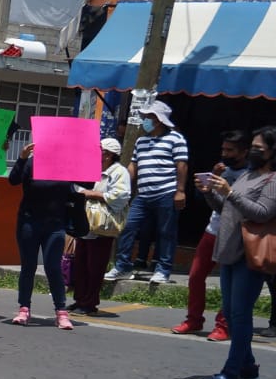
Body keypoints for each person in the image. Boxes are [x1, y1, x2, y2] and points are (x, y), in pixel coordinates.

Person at [199, 126, 276, 379]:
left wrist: (230, 192)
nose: (254, 151)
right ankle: (248, 367)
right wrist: (211, 192)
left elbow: (263, 213)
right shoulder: (247, 175)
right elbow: (226, 209)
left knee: (240, 313)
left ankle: (231, 373)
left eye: (259, 148)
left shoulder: (272, 180)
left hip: (249, 255)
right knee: (231, 314)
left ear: (272, 152)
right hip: (230, 251)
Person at [173, 130, 250, 338]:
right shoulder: (222, 170)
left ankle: (223, 325)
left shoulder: (251, 176)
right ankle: (194, 319)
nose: (225, 154)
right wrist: (206, 188)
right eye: (223, 149)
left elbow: (234, 208)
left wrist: (224, 190)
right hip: (213, 230)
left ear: (244, 152)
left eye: (230, 150)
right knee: (196, 276)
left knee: (229, 284)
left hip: (235, 235)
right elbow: (214, 206)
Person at [107, 99, 188, 284]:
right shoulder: (141, 141)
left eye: (148, 117)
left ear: (158, 119)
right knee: (127, 227)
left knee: (166, 232)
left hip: (166, 193)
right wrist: (124, 185)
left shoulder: (176, 139)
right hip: (142, 195)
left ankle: (163, 270)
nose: (145, 120)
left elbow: (181, 165)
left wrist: (180, 190)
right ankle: (123, 266)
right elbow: (133, 165)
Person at [7, 143, 81, 328]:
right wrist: (23, 157)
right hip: (29, 223)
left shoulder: (67, 166)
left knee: (53, 267)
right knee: (28, 266)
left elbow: (85, 184)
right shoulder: (32, 163)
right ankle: (24, 309)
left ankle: (61, 312)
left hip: (55, 225)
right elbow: (14, 180)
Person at [69, 137, 132, 315]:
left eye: (100, 151)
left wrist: (93, 194)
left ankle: (90, 302)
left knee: (95, 266)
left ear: (109, 154)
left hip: (103, 225)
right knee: (80, 264)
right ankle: (79, 299)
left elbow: (121, 196)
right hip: (85, 222)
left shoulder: (119, 172)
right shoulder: (90, 168)